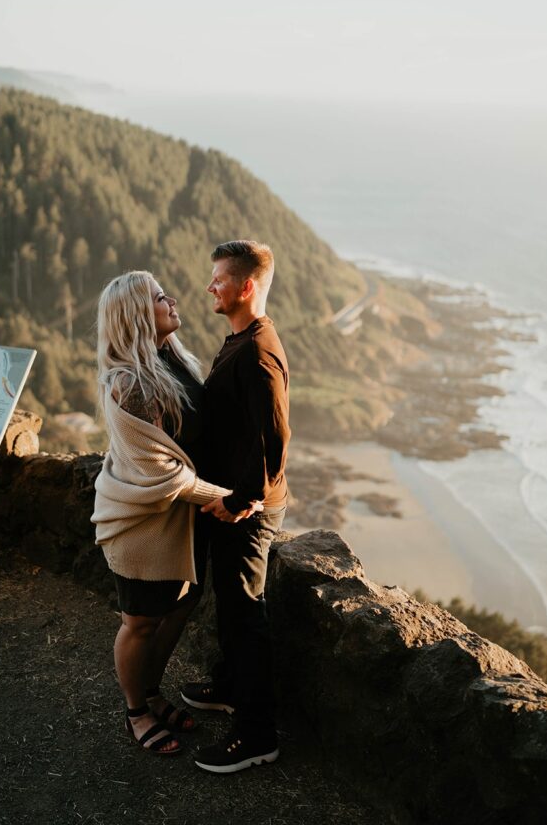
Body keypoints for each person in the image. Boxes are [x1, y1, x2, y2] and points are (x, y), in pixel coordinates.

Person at [91, 270, 260, 756]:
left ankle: (151, 691)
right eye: (160, 297)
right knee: (140, 622)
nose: (173, 301)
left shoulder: (171, 358)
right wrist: (227, 497)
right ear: (137, 314)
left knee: (180, 608)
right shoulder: (130, 384)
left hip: (181, 520)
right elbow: (161, 471)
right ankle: (135, 710)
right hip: (143, 523)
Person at [182, 240, 291, 774]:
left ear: (246, 286)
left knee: (247, 615)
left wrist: (244, 500)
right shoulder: (241, 339)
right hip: (232, 503)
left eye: (219, 278)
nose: (211, 287)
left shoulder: (258, 350)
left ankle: (256, 735)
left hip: (248, 514)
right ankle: (228, 687)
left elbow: (275, 436)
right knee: (229, 605)